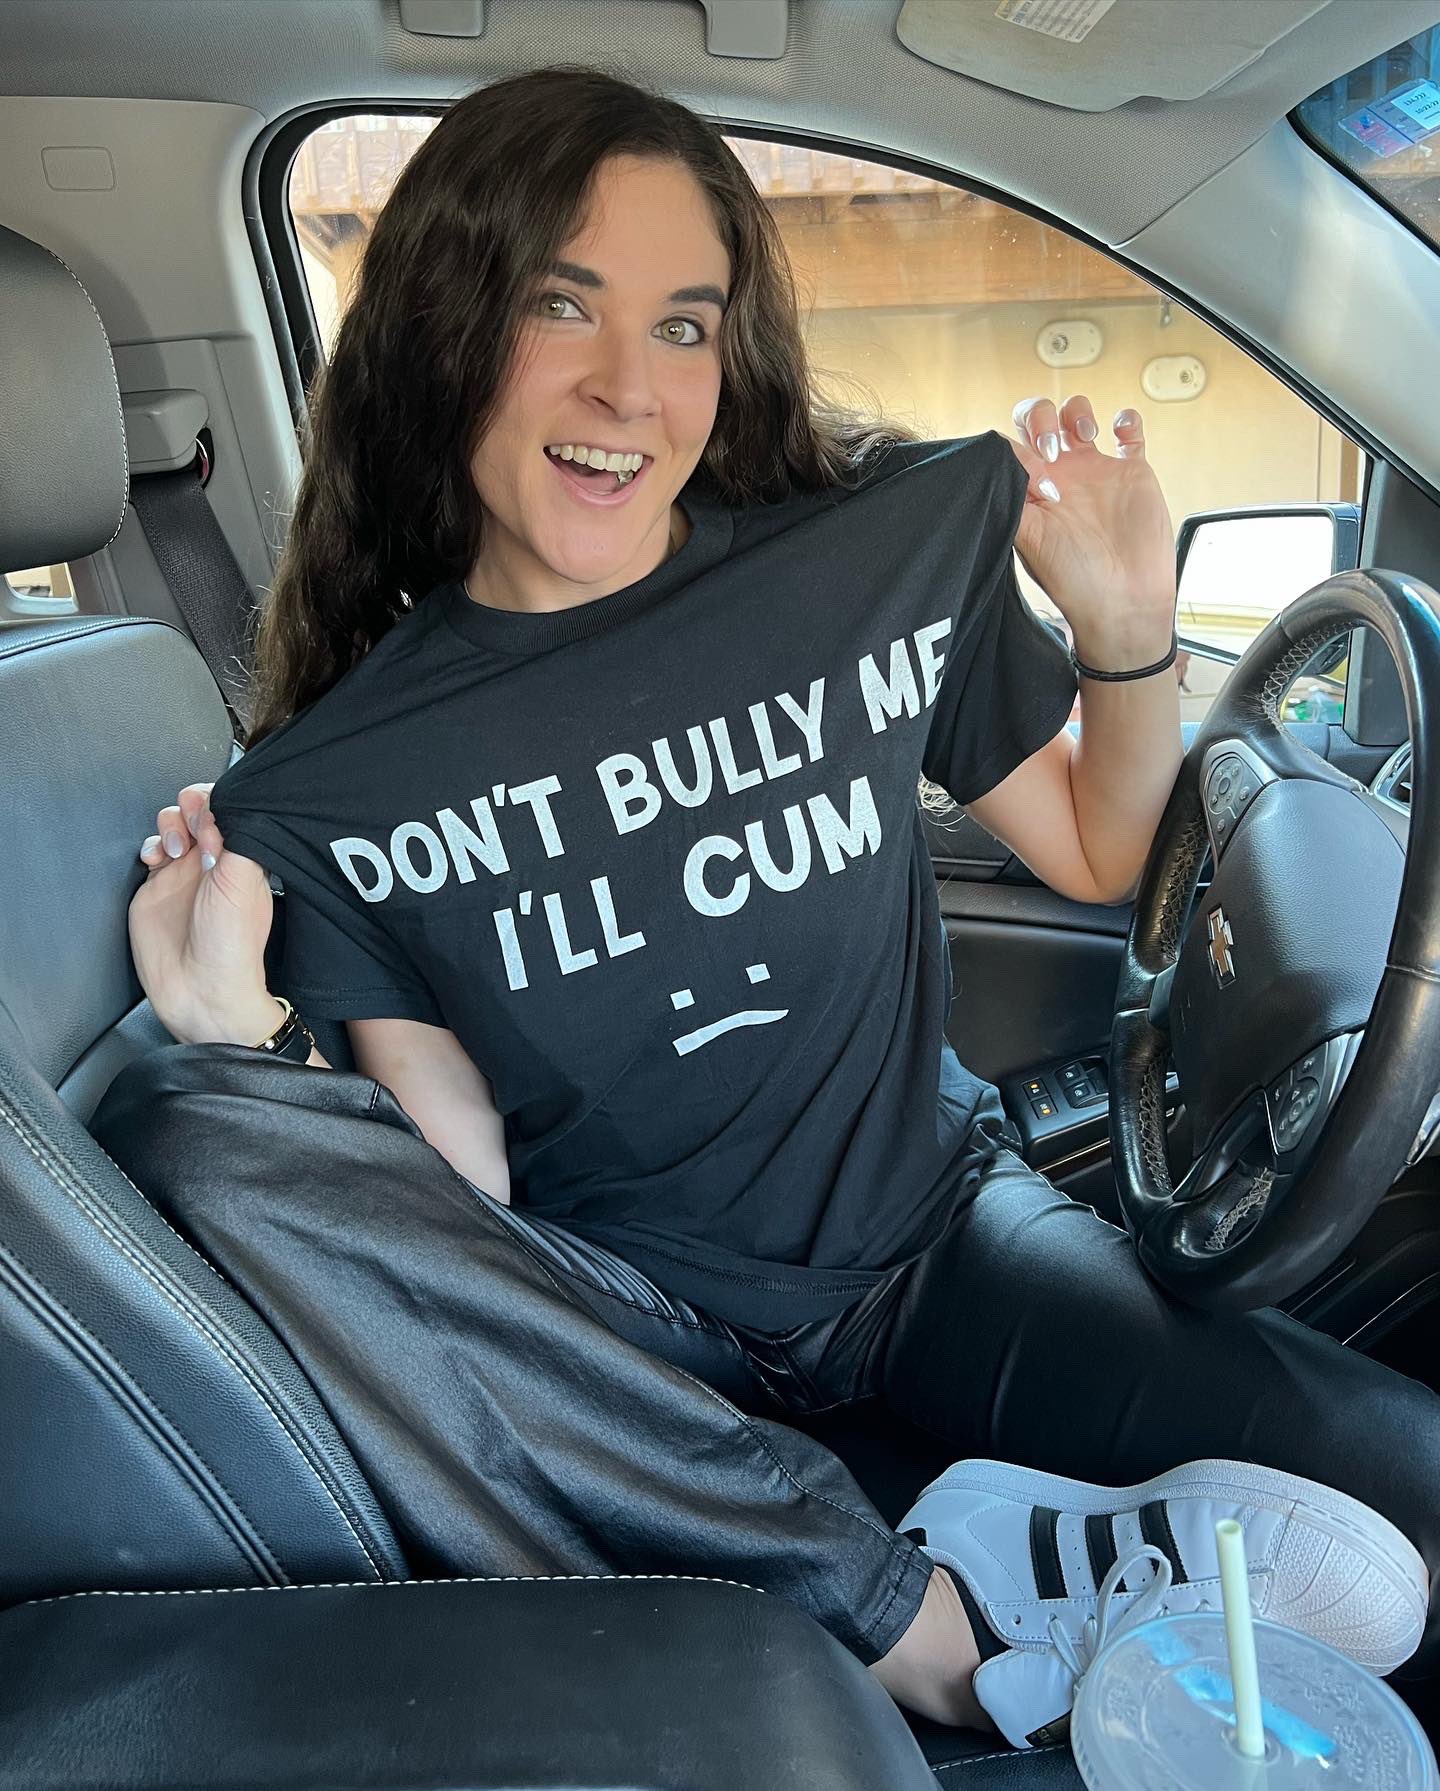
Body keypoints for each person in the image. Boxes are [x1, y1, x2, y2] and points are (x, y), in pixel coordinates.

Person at [116, 64, 1439, 1750]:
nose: (629, 386)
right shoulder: (340, 783)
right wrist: (251, 1039)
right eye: (559, 305)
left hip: (940, 1242)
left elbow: (1100, 856)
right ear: (446, 329)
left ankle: (934, 1567)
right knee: (201, 1130)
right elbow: (463, 1189)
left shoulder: (859, 566)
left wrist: (1125, 630)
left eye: (683, 324)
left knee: (1415, 1513)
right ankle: (915, 1616)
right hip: (645, 1339)